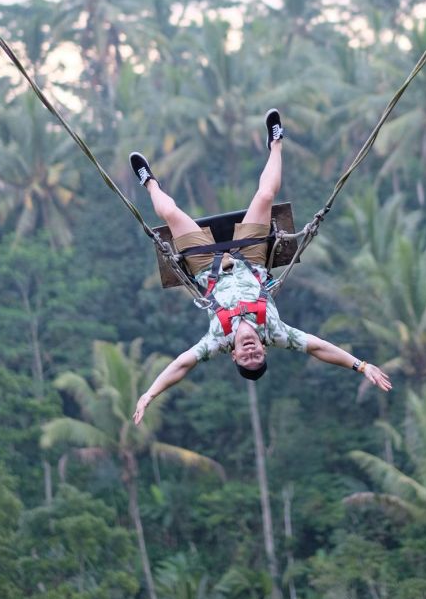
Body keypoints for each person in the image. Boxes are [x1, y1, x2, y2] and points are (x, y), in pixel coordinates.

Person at [131, 109, 391, 425]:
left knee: (171, 217)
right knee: (266, 195)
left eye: (247, 358)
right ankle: (276, 143)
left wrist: (150, 393)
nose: (252, 353)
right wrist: (360, 366)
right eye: (257, 357)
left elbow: (180, 366)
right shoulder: (275, 332)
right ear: (265, 351)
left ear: (234, 355)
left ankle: (149, 183)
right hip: (250, 258)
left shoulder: (217, 341)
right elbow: (319, 347)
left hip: (205, 265)